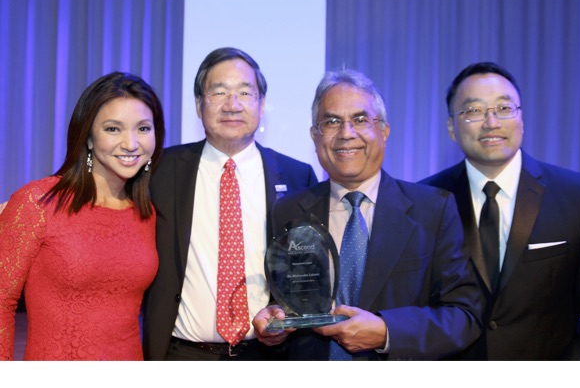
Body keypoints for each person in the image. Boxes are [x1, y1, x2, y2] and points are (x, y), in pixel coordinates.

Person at [252, 68, 482, 360]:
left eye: (360, 120)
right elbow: (285, 304)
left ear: (384, 131)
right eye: (331, 121)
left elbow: (464, 316)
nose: (346, 134)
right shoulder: (287, 211)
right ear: (315, 136)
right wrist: (274, 325)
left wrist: (388, 331)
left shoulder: (433, 209)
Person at [142, 47, 318, 360]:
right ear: (199, 105)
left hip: (267, 357)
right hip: (182, 356)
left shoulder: (297, 177)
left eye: (244, 93)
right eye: (219, 91)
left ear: (261, 104)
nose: (232, 104)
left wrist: (288, 314)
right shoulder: (160, 171)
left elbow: (309, 272)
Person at [420, 62, 580, 360]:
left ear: (521, 119)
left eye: (504, 108)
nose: (491, 122)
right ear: (451, 127)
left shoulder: (578, 196)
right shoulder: (426, 200)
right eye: (473, 111)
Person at [0, 72, 165, 360]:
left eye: (143, 128)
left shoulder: (146, 213)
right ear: (88, 137)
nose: (130, 143)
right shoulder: (37, 201)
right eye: (113, 129)